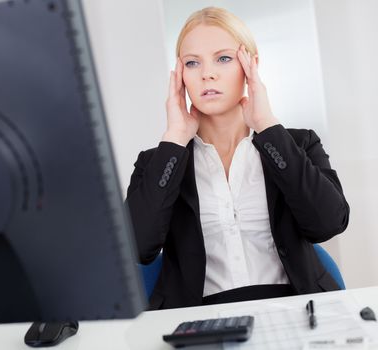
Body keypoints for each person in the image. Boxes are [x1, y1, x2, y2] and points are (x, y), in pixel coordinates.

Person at [126, 7, 349, 310]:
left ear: (250, 65)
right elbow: (136, 248)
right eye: (193, 63)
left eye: (224, 58)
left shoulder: (297, 144)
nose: (208, 73)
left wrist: (267, 125)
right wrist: (176, 137)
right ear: (180, 76)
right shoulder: (159, 161)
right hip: (199, 318)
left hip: (296, 307)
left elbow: (328, 224)